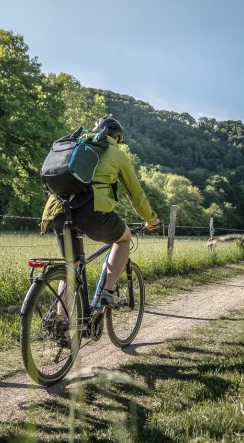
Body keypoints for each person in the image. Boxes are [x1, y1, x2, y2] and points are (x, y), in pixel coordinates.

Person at [41, 117, 159, 306]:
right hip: (91, 210)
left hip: (57, 209)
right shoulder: (116, 153)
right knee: (123, 238)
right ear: (117, 138)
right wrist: (150, 219)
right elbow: (135, 193)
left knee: (72, 268)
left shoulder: (75, 144)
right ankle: (108, 291)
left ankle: (61, 324)